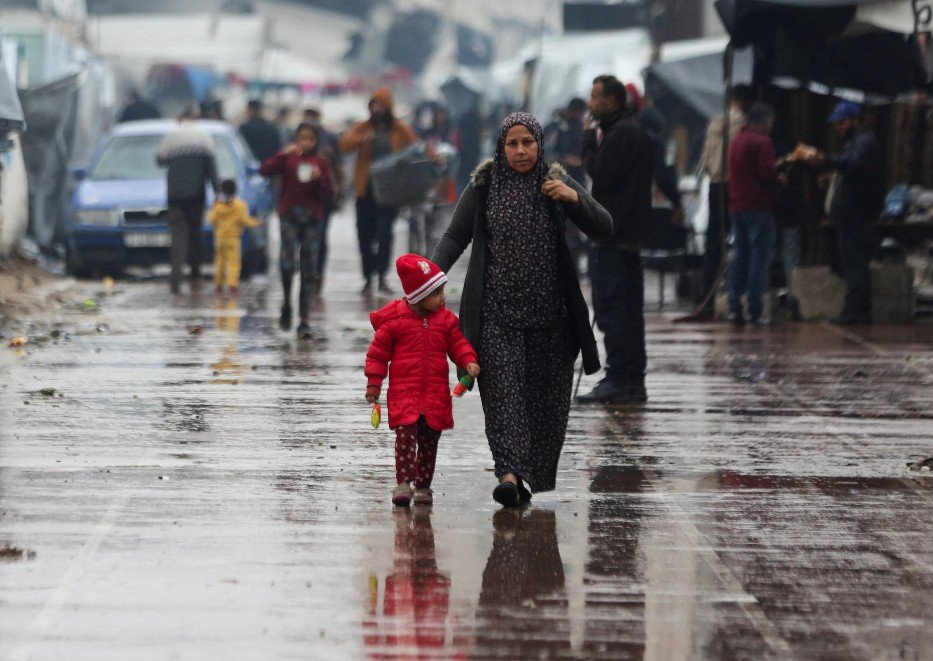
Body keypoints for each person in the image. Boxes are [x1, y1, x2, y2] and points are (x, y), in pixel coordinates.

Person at [432, 112, 612, 507]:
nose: (519, 151)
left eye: (527, 143)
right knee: (503, 399)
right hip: (496, 316)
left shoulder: (556, 181)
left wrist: (576, 200)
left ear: (539, 144)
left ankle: (527, 476)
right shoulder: (483, 185)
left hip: (552, 318)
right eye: (512, 144)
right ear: (501, 146)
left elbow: (604, 226)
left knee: (544, 405)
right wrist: (426, 282)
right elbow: (454, 236)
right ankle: (509, 475)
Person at [364, 254, 480, 507]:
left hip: (435, 394)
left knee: (429, 440)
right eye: (436, 293)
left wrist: (468, 360)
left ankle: (424, 485)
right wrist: (374, 383)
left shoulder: (446, 321)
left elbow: (458, 344)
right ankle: (404, 482)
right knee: (405, 436)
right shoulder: (395, 321)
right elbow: (378, 354)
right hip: (405, 392)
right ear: (418, 296)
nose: (443, 298)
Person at [576, 75, 654, 405]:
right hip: (621, 237)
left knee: (615, 310)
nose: (591, 104)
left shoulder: (622, 133)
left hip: (615, 238)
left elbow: (601, 173)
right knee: (624, 310)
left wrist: (587, 141)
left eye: (595, 97)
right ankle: (627, 378)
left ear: (611, 101)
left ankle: (622, 378)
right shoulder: (625, 130)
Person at [807, 101, 884, 325]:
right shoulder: (855, 142)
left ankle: (854, 312)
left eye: (842, 122)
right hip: (850, 213)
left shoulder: (864, 142)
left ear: (854, 120)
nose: (839, 128)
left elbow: (855, 165)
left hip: (856, 214)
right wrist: (833, 175)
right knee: (851, 262)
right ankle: (858, 310)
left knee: (855, 264)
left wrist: (827, 160)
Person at [340, 87, 418, 295]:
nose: (377, 109)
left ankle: (382, 275)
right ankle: (367, 277)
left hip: (389, 191)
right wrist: (361, 140)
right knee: (364, 234)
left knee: (385, 233)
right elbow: (345, 144)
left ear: (389, 107)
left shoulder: (400, 129)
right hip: (365, 190)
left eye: (381, 105)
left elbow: (415, 149)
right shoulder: (363, 128)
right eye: (374, 105)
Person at [259, 123, 334, 339]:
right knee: (287, 263)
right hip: (289, 216)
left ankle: (305, 319)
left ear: (316, 141)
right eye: (302, 138)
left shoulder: (321, 162)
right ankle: (286, 303)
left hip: (312, 218)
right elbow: (265, 170)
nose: (306, 143)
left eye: (310, 139)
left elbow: (329, 192)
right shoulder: (288, 158)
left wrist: (319, 177)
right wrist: (282, 154)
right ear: (296, 139)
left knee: (309, 268)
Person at [698, 85, 753, 316]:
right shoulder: (744, 126)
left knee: (714, 242)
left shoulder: (714, 124)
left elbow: (705, 160)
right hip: (736, 185)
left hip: (715, 185)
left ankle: (706, 297)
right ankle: (739, 298)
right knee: (741, 239)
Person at [727, 102, 780, 326]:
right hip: (758, 207)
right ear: (764, 120)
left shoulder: (737, 141)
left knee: (740, 256)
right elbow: (767, 171)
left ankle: (734, 307)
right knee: (759, 258)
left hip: (737, 206)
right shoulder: (763, 142)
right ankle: (755, 309)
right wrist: (781, 174)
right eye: (770, 121)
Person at [157, 106, 218, 294]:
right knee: (195, 234)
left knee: (178, 236)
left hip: (174, 196)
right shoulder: (204, 136)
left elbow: (160, 160)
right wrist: (218, 192)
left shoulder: (172, 136)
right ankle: (195, 274)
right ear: (196, 117)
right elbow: (211, 168)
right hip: (196, 195)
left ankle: (175, 277)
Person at [301, 107, 345, 291]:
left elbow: (339, 169)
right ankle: (307, 273)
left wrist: (338, 193)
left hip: (323, 196)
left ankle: (317, 273)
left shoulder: (330, 140)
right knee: (304, 237)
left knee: (320, 236)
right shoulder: (296, 139)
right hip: (301, 196)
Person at [207, 179, 261, 296]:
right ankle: (232, 284)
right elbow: (245, 220)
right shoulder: (240, 206)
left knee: (220, 261)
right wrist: (257, 222)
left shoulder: (218, 206)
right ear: (235, 191)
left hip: (220, 238)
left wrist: (212, 209)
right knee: (234, 263)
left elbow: (211, 220)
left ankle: (219, 284)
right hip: (234, 239)